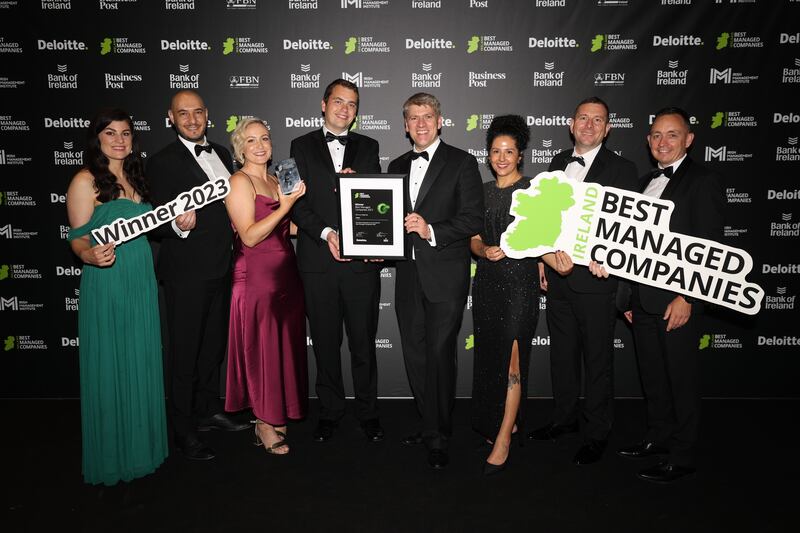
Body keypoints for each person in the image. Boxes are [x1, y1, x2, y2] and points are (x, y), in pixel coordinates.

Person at [590, 107, 724, 483]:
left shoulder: (703, 181)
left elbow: (710, 247)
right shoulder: (644, 182)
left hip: (677, 301)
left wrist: (689, 298)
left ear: (689, 140)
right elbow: (631, 246)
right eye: (656, 135)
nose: (663, 142)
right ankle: (658, 437)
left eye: (672, 135)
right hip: (642, 302)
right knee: (653, 378)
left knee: (681, 380)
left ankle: (682, 454)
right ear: (648, 141)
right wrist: (625, 297)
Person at [528, 97, 638, 466]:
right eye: (583, 118)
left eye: (598, 120)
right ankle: (564, 419)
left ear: (608, 129)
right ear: (571, 124)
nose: (589, 126)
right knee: (562, 356)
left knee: (597, 360)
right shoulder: (557, 162)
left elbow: (629, 227)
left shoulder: (622, 169)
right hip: (557, 278)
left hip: (596, 281)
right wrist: (541, 258)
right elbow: (545, 217)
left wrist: (610, 257)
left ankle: (597, 433)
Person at [66, 108, 167, 485]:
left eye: (125, 133)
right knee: (111, 364)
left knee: (140, 358)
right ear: (97, 139)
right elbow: (78, 238)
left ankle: (143, 449)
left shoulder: (137, 176)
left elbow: (152, 226)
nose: (119, 140)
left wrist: (179, 222)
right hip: (107, 280)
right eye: (110, 133)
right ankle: (113, 455)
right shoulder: (85, 180)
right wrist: (88, 255)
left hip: (140, 278)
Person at [147, 90, 250, 461]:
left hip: (223, 268)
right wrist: (176, 224)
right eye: (183, 114)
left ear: (207, 114)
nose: (191, 120)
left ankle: (208, 410)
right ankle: (183, 429)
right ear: (171, 118)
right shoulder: (161, 162)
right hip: (187, 273)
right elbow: (153, 219)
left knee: (212, 348)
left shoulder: (221, 152)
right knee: (185, 355)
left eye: (197, 112)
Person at [388, 93, 484, 469]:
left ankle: (439, 436)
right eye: (413, 118)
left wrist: (431, 230)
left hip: (445, 275)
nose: (421, 124)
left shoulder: (462, 162)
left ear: (440, 121)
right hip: (407, 274)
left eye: (427, 116)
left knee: (440, 356)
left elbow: (473, 218)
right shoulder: (396, 165)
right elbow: (386, 216)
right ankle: (430, 422)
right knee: (414, 354)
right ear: (405, 125)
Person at [290, 79, 384, 443]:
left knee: (363, 343)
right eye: (339, 101)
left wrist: (361, 185)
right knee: (325, 343)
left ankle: (369, 412)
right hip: (318, 262)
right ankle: (329, 411)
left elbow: (379, 201)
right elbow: (295, 204)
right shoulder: (300, 145)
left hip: (361, 265)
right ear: (323, 104)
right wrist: (328, 233)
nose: (345, 109)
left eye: (352, 104)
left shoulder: (369, 146)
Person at [224, 118, 308, 455]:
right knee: (260, 350)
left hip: (286, 274)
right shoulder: (239, 181)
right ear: (240, 148)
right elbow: (249, 235)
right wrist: (286, 206)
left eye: (265, 139)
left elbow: (288, 228)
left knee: (281, 348)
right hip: (256, 277)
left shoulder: (277, 179)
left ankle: (277, 411)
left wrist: (336, 219)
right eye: (251, 140)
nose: (259, 145)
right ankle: (262, 421)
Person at [470, 115, 544, 475]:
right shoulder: (480, 191)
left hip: (520, 285)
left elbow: (546, 237)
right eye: (496, 151)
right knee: (491, 359)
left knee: (514, 360)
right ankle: (501, 421)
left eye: (509, 151)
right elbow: (472, 238)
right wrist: (484, 250)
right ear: (488, 155)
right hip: (487, 283)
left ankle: (504, 439)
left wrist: (547, 260)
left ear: (520, 155)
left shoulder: (533, 191)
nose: (502, 158)